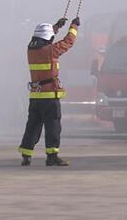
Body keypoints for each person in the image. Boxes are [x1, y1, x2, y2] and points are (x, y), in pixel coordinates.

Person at [19, 17, 80, 167]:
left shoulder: (31, 49)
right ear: (48, 38)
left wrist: (56, 27)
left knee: (33, 125)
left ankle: (26, 155)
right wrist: (74, 27)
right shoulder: (50, 51)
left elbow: (45, 37)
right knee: (53, 126)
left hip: (35, 96)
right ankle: (52, 156)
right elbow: (68, 42)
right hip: (49, 97)